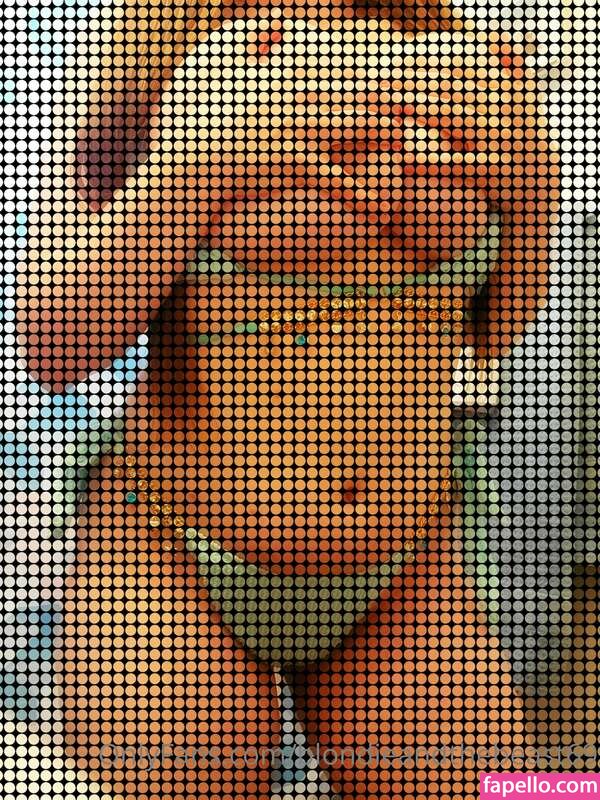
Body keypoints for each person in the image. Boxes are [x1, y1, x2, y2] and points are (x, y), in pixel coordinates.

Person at [15, 0, 560, 796]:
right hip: (175, 555)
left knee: (526, 789)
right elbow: (53, 345)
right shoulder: (162, 60)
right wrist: (199, 164)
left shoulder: (467, 58)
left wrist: (538, 194)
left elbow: (494, 335)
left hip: (406, 570)